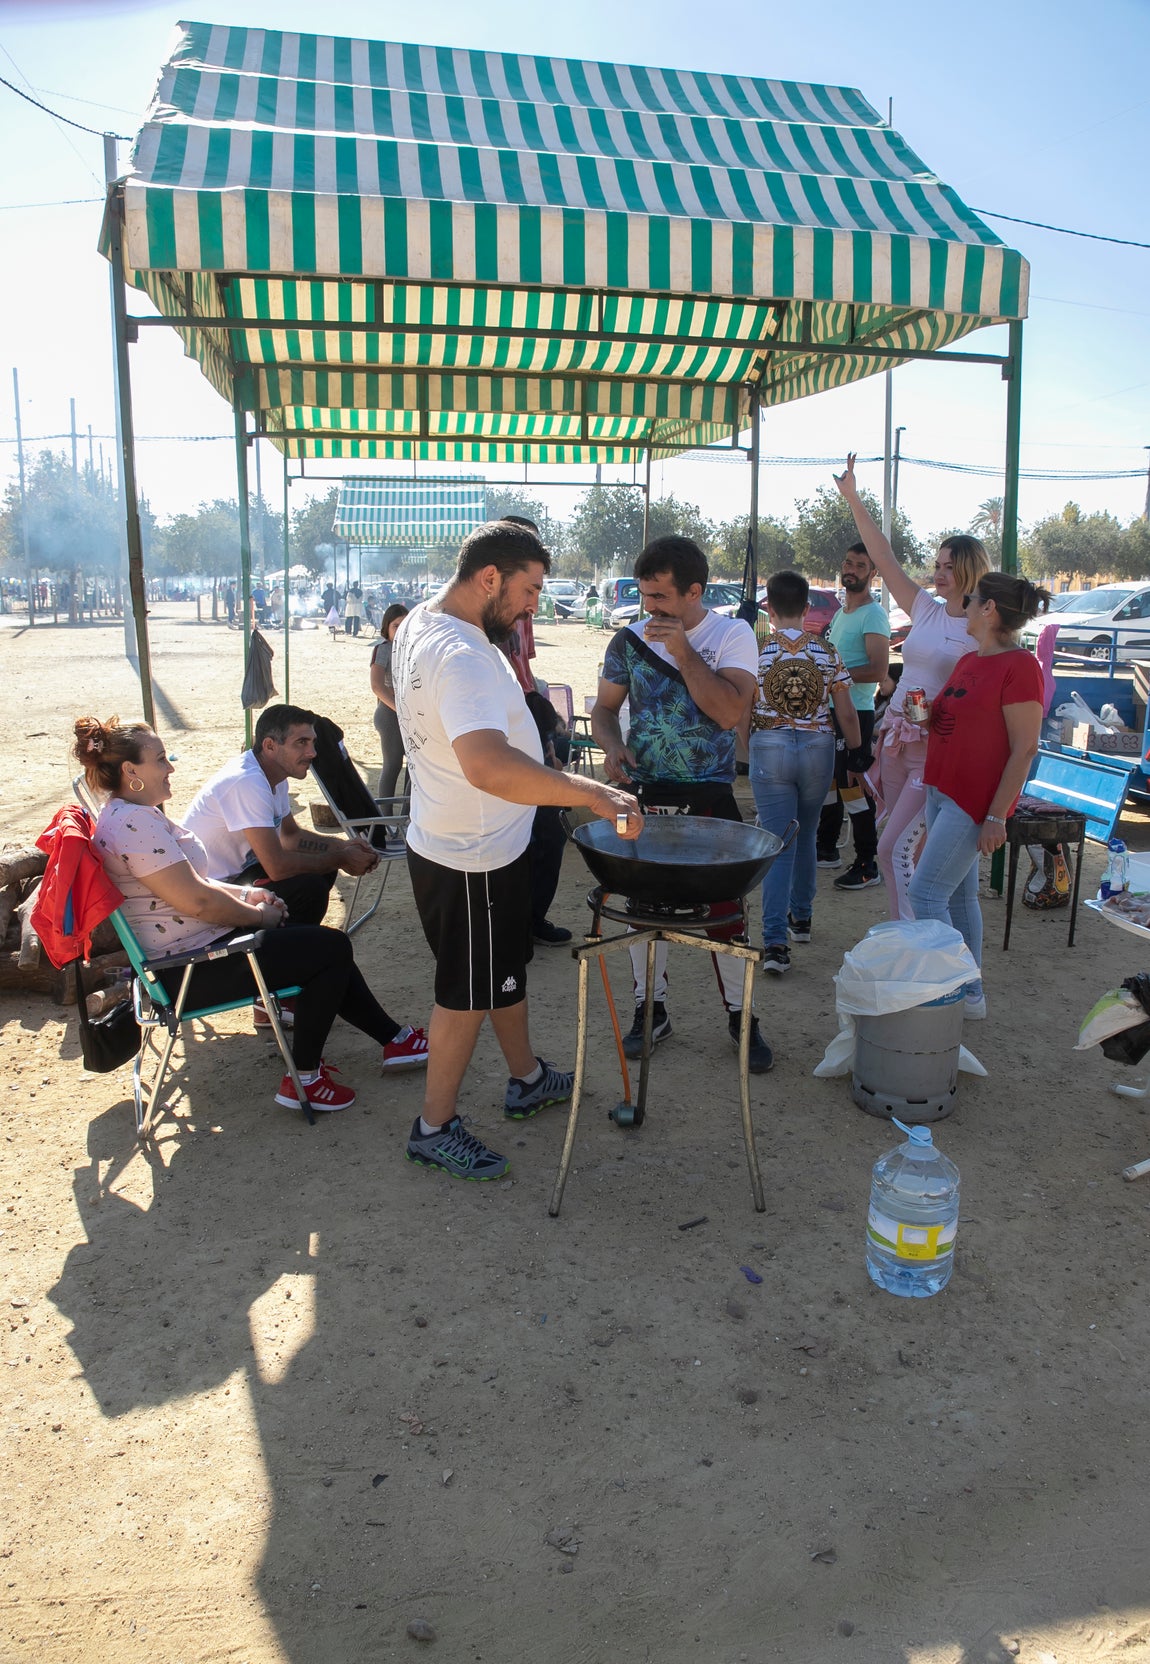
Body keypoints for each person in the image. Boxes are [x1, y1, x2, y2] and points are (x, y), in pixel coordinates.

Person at [392, 519, 641, 1182]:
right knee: (464, 994)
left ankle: (526, 1077)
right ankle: (433, 1125)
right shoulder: (463, 654)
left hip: (472, 844)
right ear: (490, 577)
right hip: (466, 855)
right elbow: (487, 767)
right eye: (530, 588)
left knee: (502, 971)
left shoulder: (423, 618)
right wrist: (589, 794)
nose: (536, 603)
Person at [74, 716, 427, 1113]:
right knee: (329, 950)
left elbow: (197, 884)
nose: (170, 767)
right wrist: (257, 917)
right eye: (160, 759)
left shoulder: (133, 815)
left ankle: (393, 1040)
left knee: (321, 947)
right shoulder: (134, 824)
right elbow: (198, 902)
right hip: (188, 970)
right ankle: (306, 1079)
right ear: (130, 771)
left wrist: (249, 896)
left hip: (195, 952)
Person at [591, 534, 771, 1073]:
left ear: (694, 591)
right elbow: (603, 709)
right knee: (641, 912)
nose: (651, 609)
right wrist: (612, 744)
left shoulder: (733, 633)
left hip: (710, 796)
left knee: (725, 915)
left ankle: (743, 1017)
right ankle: (651, 1009)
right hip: (645, 795)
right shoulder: (626, 641)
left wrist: (684, 653)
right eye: (646, 597)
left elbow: (727, 712)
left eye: (662, 598)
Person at [832, 454, 991, 918]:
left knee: (891, 848)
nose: (938, 572)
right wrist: (853, 498)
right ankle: (917, 934)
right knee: (905, 847)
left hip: (938, 751)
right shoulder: (926, 608)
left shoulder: (982, 628)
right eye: (937, 563)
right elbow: (882, 554)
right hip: (898, 740)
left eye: (948, 565)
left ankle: (914, 936)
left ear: (969, 570)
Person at [905, 573, 1049, 1021]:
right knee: (958, 896)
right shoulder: (971, 659)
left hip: (974, 799)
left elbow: (1025, 746)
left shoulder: (1020, 666)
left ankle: (950, 988)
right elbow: (957, 720)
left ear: (988, 609)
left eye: (970, 600)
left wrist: (997, 815)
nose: (962, 605)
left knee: (925, 893)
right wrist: (924, 717)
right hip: (943, 788)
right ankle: (969, 995)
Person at [747, 570, 866, 974]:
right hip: (818, 748)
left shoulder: (756, 651)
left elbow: (740, 709)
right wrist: (857, 751)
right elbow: (846, 712)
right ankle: (802, 916)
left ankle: (775, 941)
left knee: (779, 840)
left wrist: (746, 747)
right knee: (808, 833)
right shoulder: (827, 651)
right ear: (808, 607)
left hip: (770, 745)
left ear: (769, 608)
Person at [183, 704, 385, 936]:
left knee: (322, 869)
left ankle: (291, 943)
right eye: (301, 742)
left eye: (312, 742)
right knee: (311, 886)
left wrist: (344, 847)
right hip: (214, 892)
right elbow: (277, 867)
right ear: (270, 745)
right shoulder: (248, 782)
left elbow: (291, 836)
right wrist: (340, 857)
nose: (312, 752)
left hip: (237, 878)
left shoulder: (274, 775)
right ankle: (280, 951)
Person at [816, 542, 890, 889]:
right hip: (830, 711)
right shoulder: (841, 612)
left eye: (860, 565)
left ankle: (866, 863)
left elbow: (877, 669)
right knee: (830, 783)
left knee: (853, 787)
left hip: (856, 712)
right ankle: (826, 848)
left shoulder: (873, 614)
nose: (852, 570)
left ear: (872, 574)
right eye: (848, 563)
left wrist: (831, 676)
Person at [370, 603, 409, 812]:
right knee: (393, 765)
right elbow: (377, 686)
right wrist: (398, 708)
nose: (401, 630)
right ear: (387, 627)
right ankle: (386, 820)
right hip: (390, 713)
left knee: (415, 767)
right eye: (396, 625)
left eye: (405, 625)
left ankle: (406, 816)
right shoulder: (383, 649)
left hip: (412, 713)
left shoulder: (415, 649)